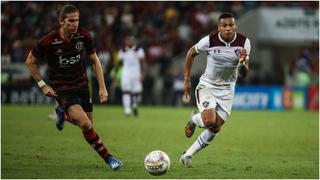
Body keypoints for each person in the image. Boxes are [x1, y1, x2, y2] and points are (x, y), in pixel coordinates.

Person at [25, 4, 123, 170]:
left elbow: (95, 60)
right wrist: (43, 85)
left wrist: (102, 87)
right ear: (61, 21)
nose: (75, 24)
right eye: (71, 21)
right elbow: (30, 62)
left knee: (88, 126)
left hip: (82, 86)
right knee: (86, 124)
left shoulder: (83, 36)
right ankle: (109, 158)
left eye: (77, 20)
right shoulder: (48, 40)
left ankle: (63, 115)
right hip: (62, 88)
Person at [180, 13, 251, 167]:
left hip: (227, 91)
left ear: (235, 26)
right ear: (219, 27)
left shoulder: (244, 42)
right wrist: (186, 79)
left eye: (230, 25)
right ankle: (194, 119)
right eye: (224, 26)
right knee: (209, 121)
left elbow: (245, 74)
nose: (227, 29)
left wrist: (241, 63)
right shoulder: (210, 40)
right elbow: (191, 53)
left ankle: (187, 155)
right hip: (208, 86)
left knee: (216, 127)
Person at [113, 34, 145, 116]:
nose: (129, 41)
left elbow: (142, 62)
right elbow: (118, 63)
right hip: (126, 73)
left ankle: (134, 105)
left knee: (136, 92)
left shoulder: (138, 50)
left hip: (136, 72)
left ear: (133, 41)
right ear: (125, 41)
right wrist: (115, 73)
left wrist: (142, 73)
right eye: (128, 40)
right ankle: (127, 109)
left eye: (131, 40)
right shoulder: (123, 50)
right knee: (126, 91)